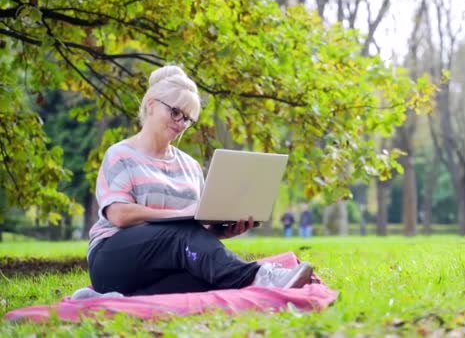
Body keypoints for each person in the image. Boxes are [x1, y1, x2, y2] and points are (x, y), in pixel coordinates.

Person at [77, 66, 313, 299]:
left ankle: (107, 299)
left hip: (162, 266)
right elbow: (119, 214)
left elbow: (193, 233)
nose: (181, 124)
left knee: (210, 275)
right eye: (175, 112)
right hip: (112, 260)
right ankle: (259, 276)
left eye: (188, 119)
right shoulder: (120, 154)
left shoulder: (190, 166)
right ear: (151, 105)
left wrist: (221, 230)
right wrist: (180, 215)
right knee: (181, 233)